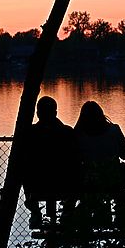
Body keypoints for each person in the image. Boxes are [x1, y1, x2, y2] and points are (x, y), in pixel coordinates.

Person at [23, 96, 81, 228]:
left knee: (25, 170)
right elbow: (76, 160)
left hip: (37, 185)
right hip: (64, 184)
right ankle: (67, 210)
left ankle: (35, 210)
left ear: (38, 113)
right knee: (77, 170)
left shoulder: (30, 134)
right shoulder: (67, 132)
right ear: (55, 113)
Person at [74, 101, 125, 226]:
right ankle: (121, 216)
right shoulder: (114, 130)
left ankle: (90, 218)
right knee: (121, 174)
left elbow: (76, 158)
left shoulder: (78, 134)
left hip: (89, 179)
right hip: (114, 178)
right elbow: (124, 154)